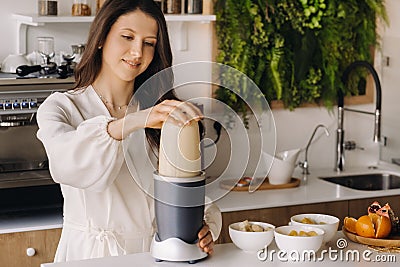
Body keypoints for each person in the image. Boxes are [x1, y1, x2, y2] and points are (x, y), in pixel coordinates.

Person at [36, 0, 222, 262]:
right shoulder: (62, 107)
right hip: (90, 255)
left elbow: (181, 189)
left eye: (149, 43)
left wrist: (201, 225)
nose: (137, 52)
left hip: (152, 253)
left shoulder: (161, 111)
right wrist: (134, 121)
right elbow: (66, 164)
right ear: (101, 38)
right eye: (127, 37)